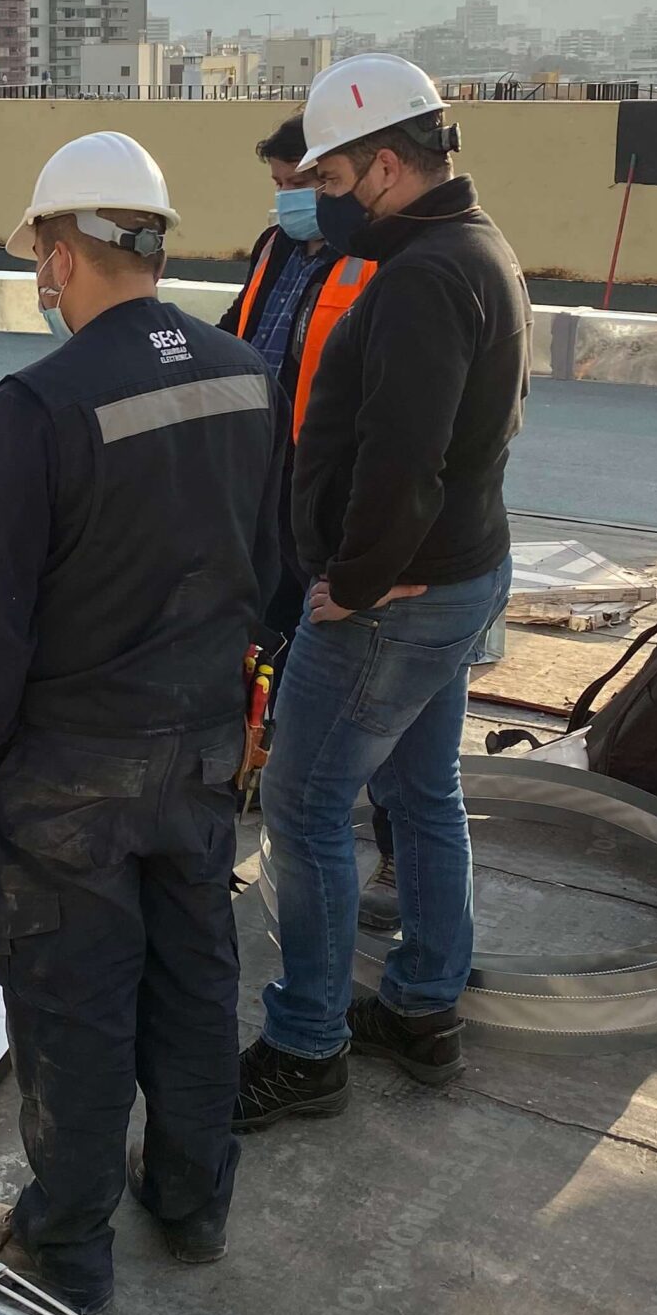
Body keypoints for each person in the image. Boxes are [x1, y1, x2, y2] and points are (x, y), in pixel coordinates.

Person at [0, 132, 286, 1311]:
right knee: (194, 979)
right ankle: (193, 1201)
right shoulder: (244, 369)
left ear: (60, 254)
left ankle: (67, 1243)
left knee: (73, 1003)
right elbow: (276, 562)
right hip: (201, 749)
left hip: (70, 767)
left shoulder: (39, 402)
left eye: (41, 255)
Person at [236, 57, 527, 1128]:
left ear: (388, 167)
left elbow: (405, 461)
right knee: (420, 788)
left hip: (397, 602)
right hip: (451, 578)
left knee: (304, 803)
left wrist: (354, 584)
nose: (320, 197)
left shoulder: (420, 280)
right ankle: (422, 1005)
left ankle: (306, 1043)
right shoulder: (472, 248)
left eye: (331, 176)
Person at [225, 116, 391, 916]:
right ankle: (260, 763)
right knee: (268, 629)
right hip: (264, 474)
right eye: (279, 186)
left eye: (302, 185)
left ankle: (340, 816)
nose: (290, 200)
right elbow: (238, 335)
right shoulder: (276, 248)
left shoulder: (375, 264)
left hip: (327, 490)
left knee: (343, 661)